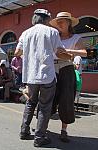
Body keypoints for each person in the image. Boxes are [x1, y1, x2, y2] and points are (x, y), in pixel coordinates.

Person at [15, 9, 74, 147]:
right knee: (45, 107)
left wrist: (30, 54)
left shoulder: (26, 33)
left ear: (35, 19)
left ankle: (24, 131)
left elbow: (17, 52)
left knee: (30, 103)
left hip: (30, 76)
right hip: (46, 75)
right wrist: (70, 57)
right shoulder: (51, 32)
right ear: (47, 19)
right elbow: (59, 53)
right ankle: (39, 137)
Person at [49, 12, 87, 143]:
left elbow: (84, 52)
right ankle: (43, 127)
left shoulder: (76, 37)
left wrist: (68, 51)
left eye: (62, 21)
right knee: (48, 98)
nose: (59, 23)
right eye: (58, 22)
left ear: (69, 23)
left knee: (66, 99)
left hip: (67, 67)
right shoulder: (54, 37)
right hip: (52, 68)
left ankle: (64, 130)